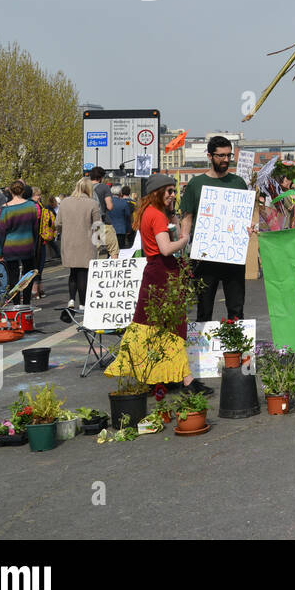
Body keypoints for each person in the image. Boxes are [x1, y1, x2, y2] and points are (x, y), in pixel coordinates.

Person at [106, 174, 212, 396]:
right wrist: (185, 238)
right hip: (163, 273)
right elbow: (165, 248)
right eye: (169, 191)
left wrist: (172, 213)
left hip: (157, 272)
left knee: (157, 326)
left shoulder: (149, 212)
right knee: (172, 327)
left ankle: (165, 376)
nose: (173, 195)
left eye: (174, 191)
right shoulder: (155, 215)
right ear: (157, 192)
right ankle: (186, 381)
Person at [180, 135, 251, 323]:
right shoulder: (196, 184)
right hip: (204, 255)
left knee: (236, 307)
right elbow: (187, 217)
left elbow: (245, 217)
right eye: (221, 156)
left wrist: (249, 230)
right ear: (210, 156)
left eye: (229, 155)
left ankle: (236, 348)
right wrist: (184, 246)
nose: (226, 160)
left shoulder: (239, 183)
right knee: (204, 306)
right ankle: (202, 351)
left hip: (232, 255)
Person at [57, 177, 101, 321]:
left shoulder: (64, 203)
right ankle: (82, 304)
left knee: (73, 272)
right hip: (86, 242)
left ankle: (71, 299)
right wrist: (99, 244)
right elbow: (97, 226)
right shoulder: (92, 203)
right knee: (83, 273)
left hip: (68, 242)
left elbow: (58, 223)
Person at [0, 180, 39, 308]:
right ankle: (26, 302)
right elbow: (35, 228)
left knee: (13, 276)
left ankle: (15, 303)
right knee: (28, 275)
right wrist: (34, 244)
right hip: (27, 244)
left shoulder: (6, 209)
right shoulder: (31, 206)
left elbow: (2, 232)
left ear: (10, 191)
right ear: (23, 191)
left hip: (10, 246)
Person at [89, 167, 120, 258]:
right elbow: (109, 206)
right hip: (104, 222)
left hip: (91, 223)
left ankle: (94, 271)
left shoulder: (85, 187)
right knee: (113, 249)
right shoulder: (104, 187)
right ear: (101, 177)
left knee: (95, 251)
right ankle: (114, 270)